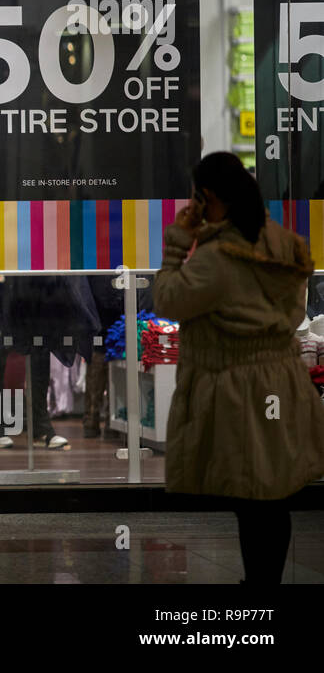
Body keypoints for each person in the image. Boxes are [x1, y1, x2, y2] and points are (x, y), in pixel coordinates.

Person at [153, 152, 324, 584]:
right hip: (281, 378)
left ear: (208, 197)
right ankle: (265, 581)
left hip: (241, 387)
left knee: (253, 494)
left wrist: (178, 240)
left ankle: (260, 587)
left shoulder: (218, 258)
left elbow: (169, 299)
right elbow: (292, 309)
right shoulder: (283, 242)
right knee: (273, 492)